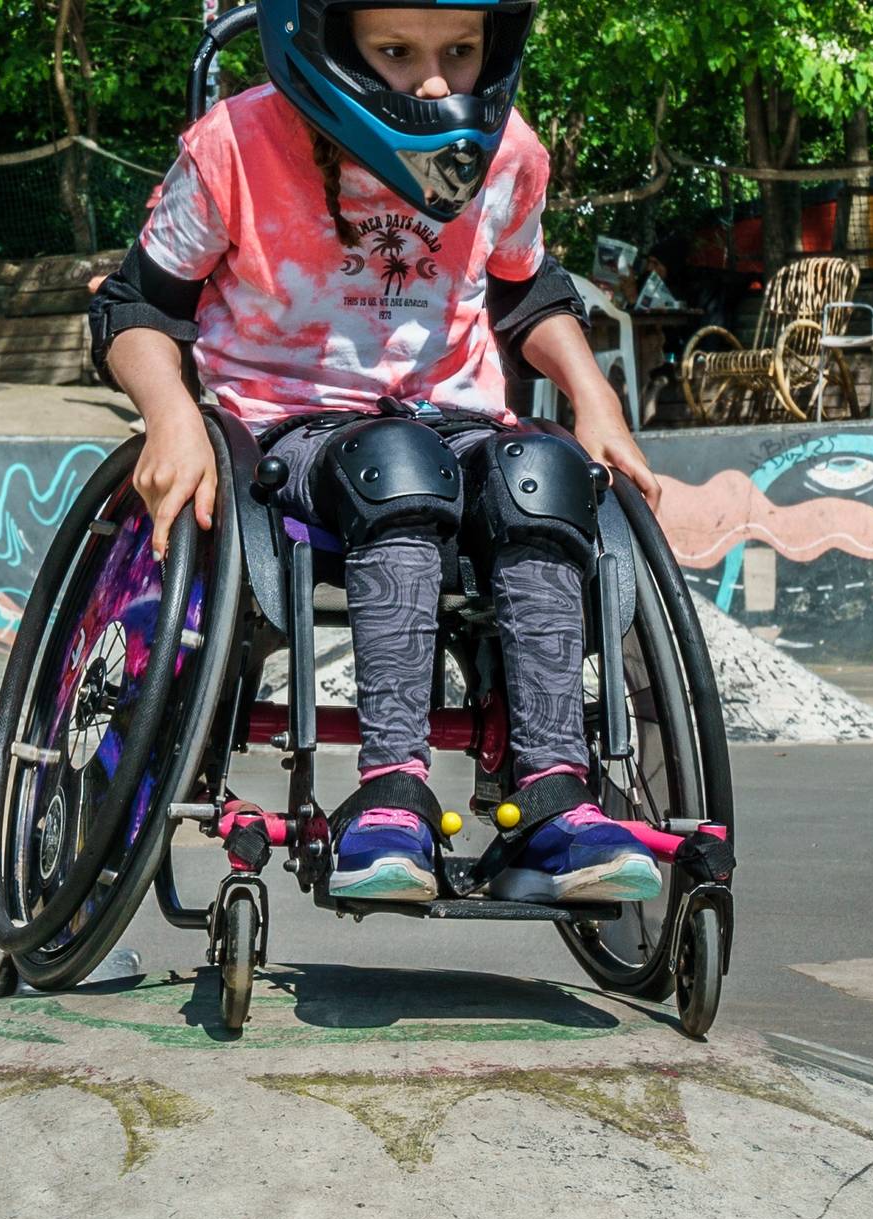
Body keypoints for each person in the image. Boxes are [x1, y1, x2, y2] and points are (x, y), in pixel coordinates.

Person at [92, 0, 668, 904]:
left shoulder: (506, 150)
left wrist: (594, 398)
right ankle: (391, 789)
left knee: (544, 474)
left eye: (462, 52)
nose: (436, 81)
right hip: (292, 424)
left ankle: (556, 793)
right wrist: (169, 415)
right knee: (397, 464)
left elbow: (527, 296)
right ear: (329, 40)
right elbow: (136, 306)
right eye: (397, 51)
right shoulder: (236, 146)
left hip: (459, 417)